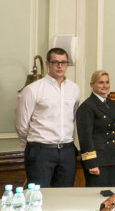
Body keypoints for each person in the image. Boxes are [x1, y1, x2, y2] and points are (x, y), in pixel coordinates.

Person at [14, 47, 81, 187]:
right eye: (55, 62)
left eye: (63, 62)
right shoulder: (33, 89)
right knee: (39, 196)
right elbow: (21, 123)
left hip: (67, 150)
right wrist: (33, 145)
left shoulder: (74, 89)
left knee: (64, 196)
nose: (59, 66)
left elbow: (73, 117)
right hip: (41, 150)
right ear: (48, 63)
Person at [76, 70, 115, 187]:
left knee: (112, 195)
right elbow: (85, 137)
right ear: (92, 84)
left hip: (109, 158)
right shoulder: (87, 106)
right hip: (96, 161)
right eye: (100, 83)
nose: (105, 86)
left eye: (107, 82)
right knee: (98, 197)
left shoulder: (110, 103)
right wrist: (91, 163)